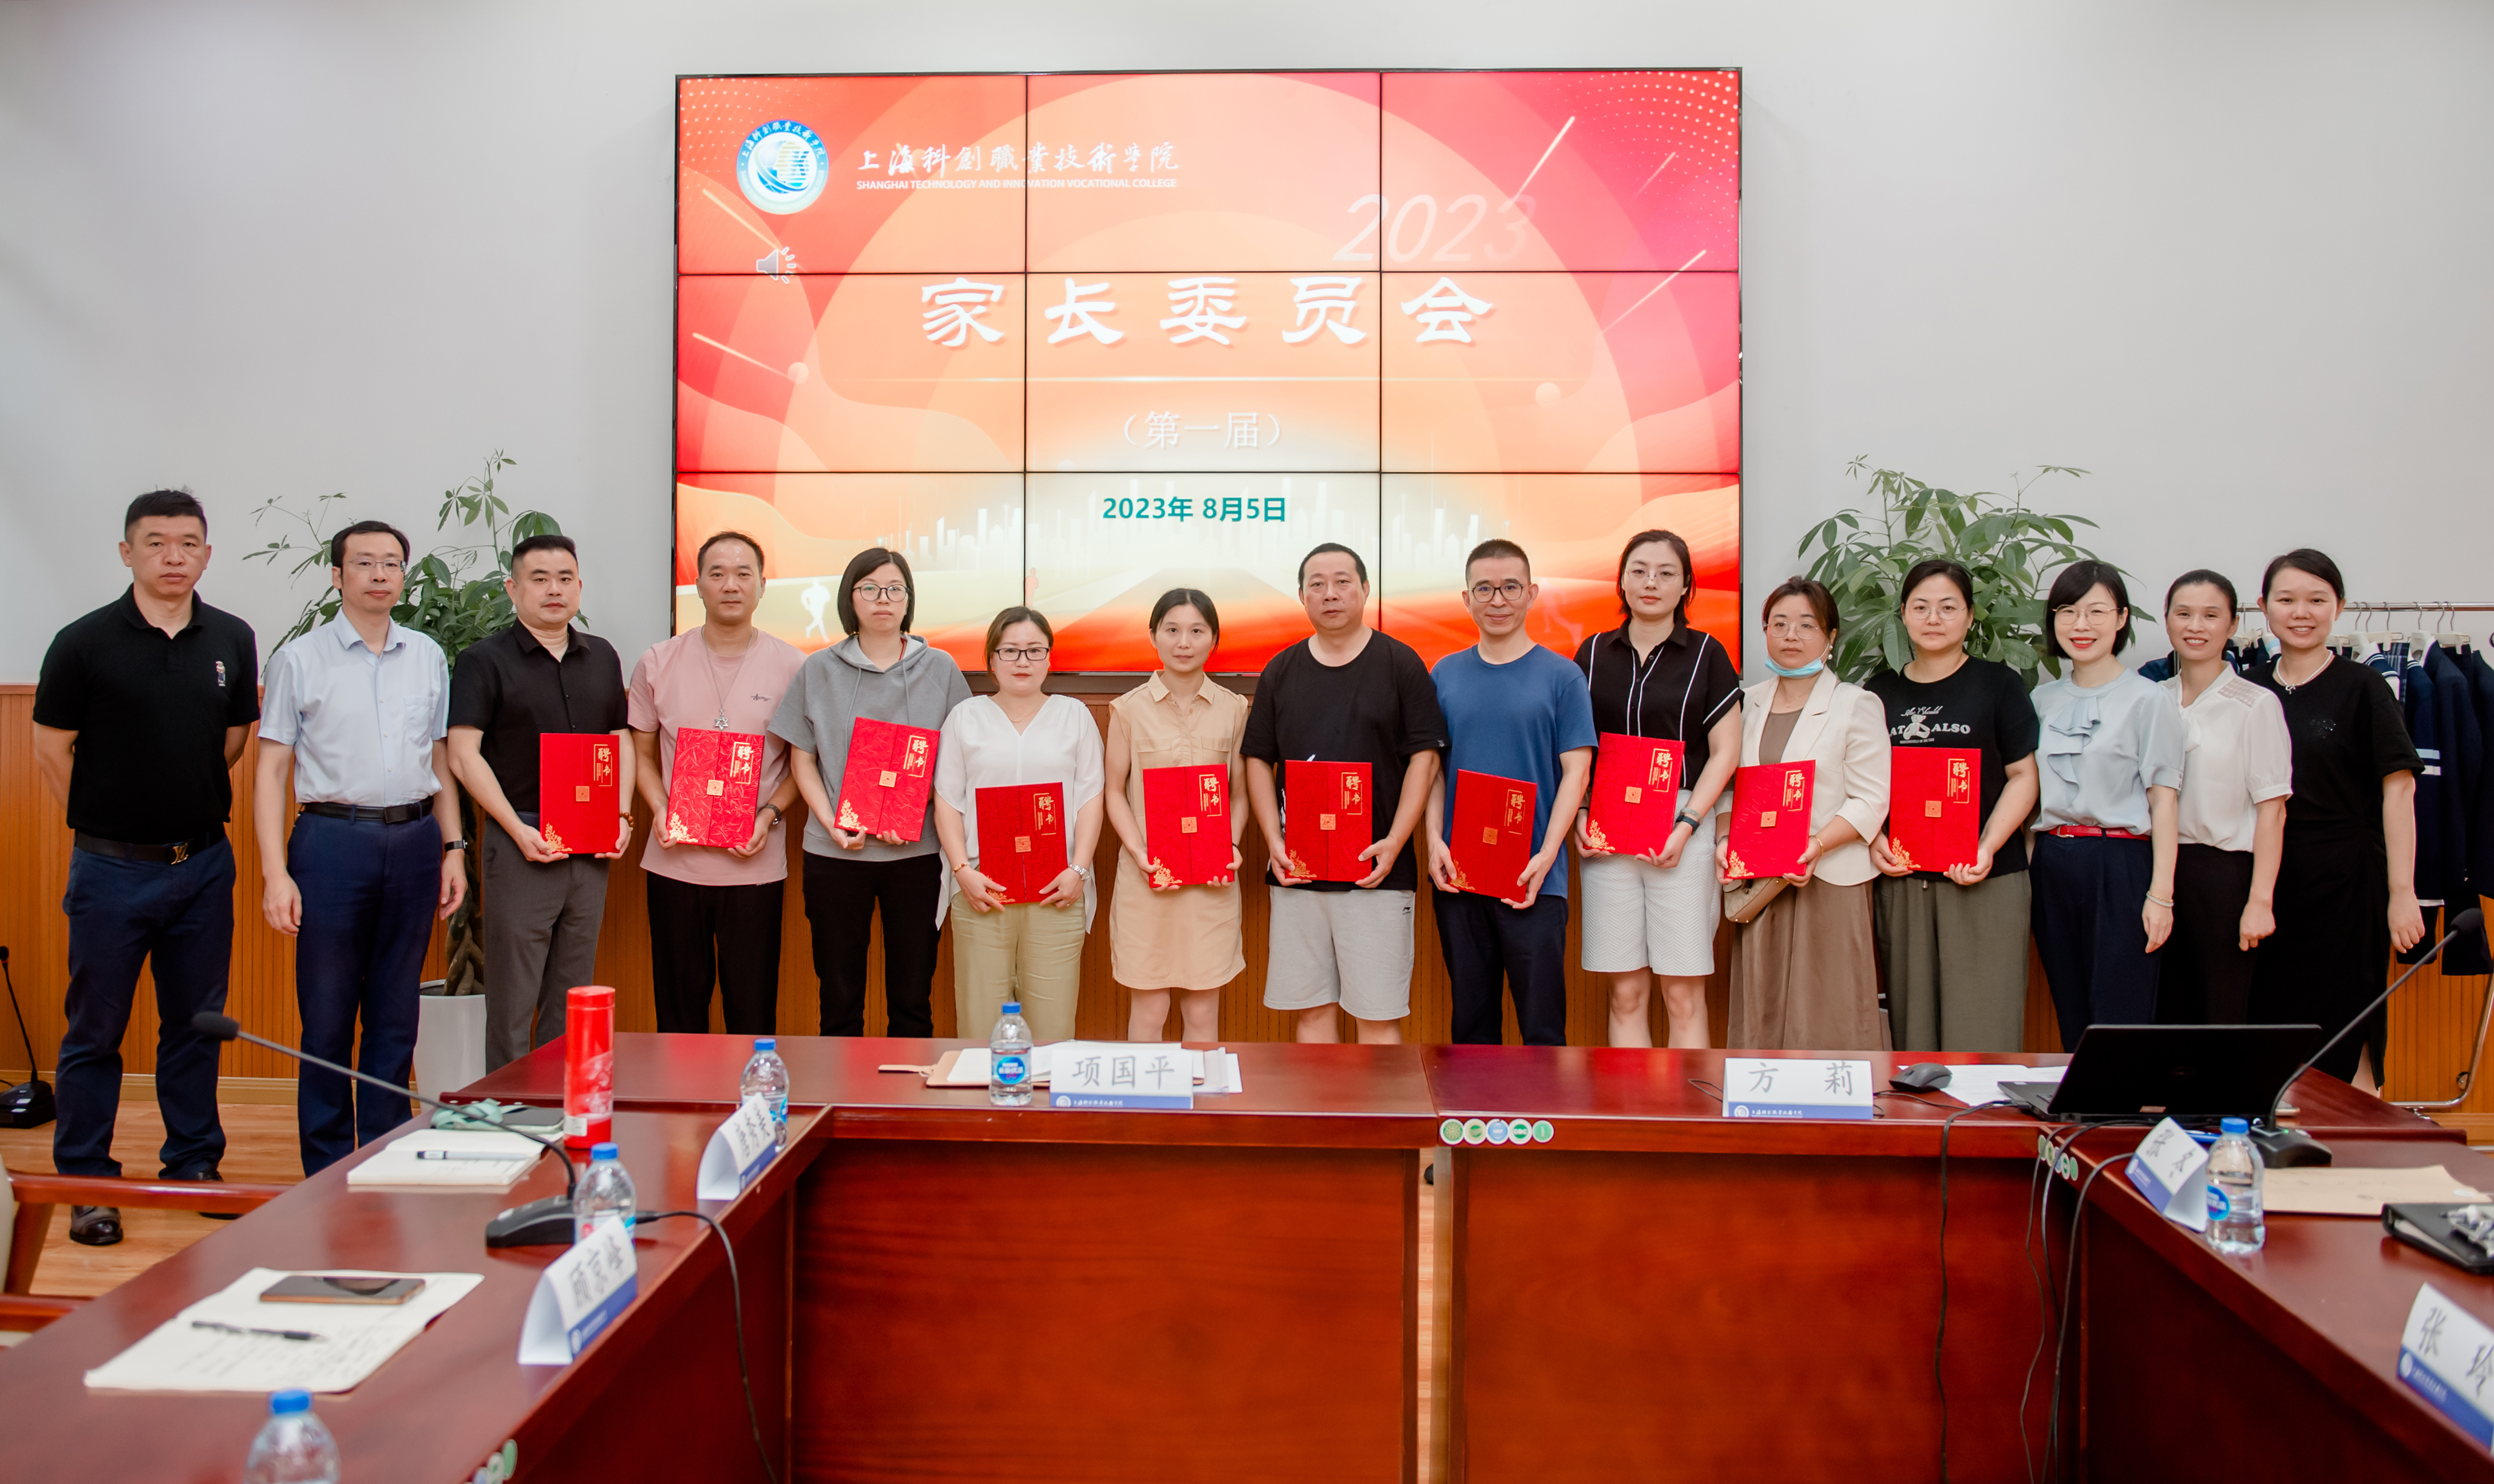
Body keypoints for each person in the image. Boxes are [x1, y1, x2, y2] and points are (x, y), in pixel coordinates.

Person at [31, 489, 259, 1245]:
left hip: (204, 865)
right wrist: (108, 822)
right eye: (156, 543)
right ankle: (87, 1182)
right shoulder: (83, 642)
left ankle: (193, 1162)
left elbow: (232, 739)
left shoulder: (231, 637)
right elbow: (51, 749)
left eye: (187, 543)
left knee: (194, 1026)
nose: (173, 556)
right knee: (95, 1031)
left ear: (206, 555)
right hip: (111, 871)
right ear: (127, 553)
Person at [254, 520, 469, 1175]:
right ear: (337, 575)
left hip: (414, 840)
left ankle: (384, 1152)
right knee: (326, 1017)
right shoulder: (299, 659)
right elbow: (271, 769)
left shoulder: (428, 655)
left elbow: (438, 758)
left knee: (395, 1014)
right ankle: (324, 1167)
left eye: (392, 563)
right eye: (365, 563)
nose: (380, 574)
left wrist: (453, 847)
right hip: (330, 842)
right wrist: (275, 873)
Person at [1241, 544, 1446, 1044]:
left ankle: (1378, 1107)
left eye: (1342, 582)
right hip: (1299, 872)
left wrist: (1396, 841)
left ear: (1365, 590)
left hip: (1376, 871)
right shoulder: (1280, 670)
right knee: (1311, 1015)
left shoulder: (1401, 664)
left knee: (1377, 1017)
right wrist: (1274, 842)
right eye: (1317, 584)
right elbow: (1257, 759)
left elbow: (1425, 758)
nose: (1329, 594)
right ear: (1302, 595)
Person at [447, 533, 634, 1071]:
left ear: (579, 586)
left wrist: (621, 816)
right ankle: (510, 1108)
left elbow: (618, 738)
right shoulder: (483, 660)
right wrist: (514, 829)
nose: (555, 589)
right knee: (513, 998)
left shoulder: (602, 656)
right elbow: (463, 754)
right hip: (521, 841)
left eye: (565, 578)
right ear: (513, 588)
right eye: (540, 579)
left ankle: (563, 1101)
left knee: (573, 993)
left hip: (591, 845)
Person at [773, 548, 971, 1037]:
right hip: (835, 854)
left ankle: (910, 1086)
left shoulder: (941, 668)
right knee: (838, 996)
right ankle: (843, 1085)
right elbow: (802, 759)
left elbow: (958, 760)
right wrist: (832, 821)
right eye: (870, 588)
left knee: (912, 997)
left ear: (908, 600)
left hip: (917, 853)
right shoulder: (819, 668)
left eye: (894, 589)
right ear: (850, 597)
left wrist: (909, 809)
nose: (883, 598)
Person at [2246, 548, 2424, 1088]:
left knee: (2348, 1021)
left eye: (2317, 600)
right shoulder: (2248, 687)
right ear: (2264, 607)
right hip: (2265, 881)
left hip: (2348, 883)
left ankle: (2353, 1129)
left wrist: (2402, 892)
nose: (2301, 612)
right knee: (2268, 1026)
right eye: (2287, 599)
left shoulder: (2364, 686)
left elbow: (2400, 790)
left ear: (2339, 607)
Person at [1572, 529, 1743, 1048]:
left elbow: (1726, 752)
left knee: (1682, 994)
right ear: (1622, 581)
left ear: (1686, 585)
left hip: (1681, 825)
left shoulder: (1708, 654)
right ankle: (1632, 1102)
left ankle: (1685, 1103)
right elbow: (1577, 747)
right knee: (1625, 993)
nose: (1651, 582)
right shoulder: (1592, 653)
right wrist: (1580, 813)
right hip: (1606, 827)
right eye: (1640, 571)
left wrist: (1688, 824)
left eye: (1666, 573)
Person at [629, 531, 804, 1035]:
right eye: (718, 573)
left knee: (752, 1014)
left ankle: (750, 1092)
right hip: (674, 865)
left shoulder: (794, 666)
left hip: (754, 868)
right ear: (698, 584)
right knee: (679, 1018)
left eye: (744, 573)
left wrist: (769, 815)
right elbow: (641, 755)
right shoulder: (657, 661)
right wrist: (660, 807)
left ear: (763, 586)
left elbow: (801, 765)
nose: (731, 585)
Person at [1864, 559, 2042, 1052]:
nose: (1933, 618)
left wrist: (1986, 846)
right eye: (1921, 607)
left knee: (1984, 1025)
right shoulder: (1878, 693)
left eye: (1948, 607)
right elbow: (1862, 784)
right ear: (1903, 614)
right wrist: (1876, 839)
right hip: (1904, 879)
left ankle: (1982, 1107)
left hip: (1985, 876)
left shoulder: (1999, 684)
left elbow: (2024, 776)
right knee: (1913, 1029)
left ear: (1969, 616)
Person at [1424, 541, 1596, 1046]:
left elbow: (1577, 771)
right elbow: (1433, 771)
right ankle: (1476, 1105)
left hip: (1534, 877)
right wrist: (1433, 841)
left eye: (1510, 587)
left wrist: (1548, 855)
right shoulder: (1444, 674)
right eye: (1484, 589)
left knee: (1542, 1026)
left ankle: (1543, 1108)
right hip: (1459, 874)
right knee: (1471, 1024)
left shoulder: (1563, 675)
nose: (1497, 600)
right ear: (1467, 598)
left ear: (1532, 593)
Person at [1718, 578, 1891, 1050]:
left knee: (1829, 1009)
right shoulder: (1745, 702)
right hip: (1759, 879)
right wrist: (1724, 840)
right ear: (1765, 631)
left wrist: (1815, 845)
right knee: (1764, 1006)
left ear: (1831, 636)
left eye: (1806, 625)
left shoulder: (1856, 704)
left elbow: (1870, 798)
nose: (1791, 635)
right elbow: (1729, 787)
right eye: (1779, 624)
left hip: (1828, 876)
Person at [2026, 561, 2185, 1047]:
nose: (2081, 624)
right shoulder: (2041, 699)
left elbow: (2164, 800)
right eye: (2068, 611)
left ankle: (2121, 1102)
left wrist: (2161, 895)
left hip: (2120, 862)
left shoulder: (2148, 699)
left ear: (2121, 618)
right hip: (2053, 862)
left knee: (2121, 1017)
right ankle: (2080, 1100)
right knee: (2070, 1009)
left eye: (2096, 611)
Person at [932, 608, 1104, 1042]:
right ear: (992, 659)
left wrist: (1079, 869)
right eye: (1010, 651)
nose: (1022, 661)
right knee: (980, 1024)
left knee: (1053, 1028)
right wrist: (962, 871)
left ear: (1049, 658)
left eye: (1034, 650)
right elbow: (947, 801)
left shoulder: (1075, 715)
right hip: (982, 887)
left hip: (1057, 888)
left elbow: (1091, 798)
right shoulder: (965, 717)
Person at [1103, 590, 1248, 1043]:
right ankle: (1147, 1094)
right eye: (1172, 630)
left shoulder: (1235, 708)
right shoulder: (1127, 709)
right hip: (1147, 878)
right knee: (1150, 1009)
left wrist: (1230, 846)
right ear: (1154, 636)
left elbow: (1240, 794)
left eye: (1196, 631)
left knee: (1203, 1011)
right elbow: (1114, 791)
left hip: (1212, 881)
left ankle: (1201, 1094)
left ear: (1214, 639)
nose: (1184, 642)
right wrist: (1139, 851)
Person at [2155, 570, 2291, 1026]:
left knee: (2220, 1016)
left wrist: (2260, 901)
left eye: (2211, 615)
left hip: (2222, 877)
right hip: (2156, 873)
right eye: (2184, 614)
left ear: (2232, 624)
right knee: (2163, 1013)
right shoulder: (2151, 700)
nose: (2196, 626)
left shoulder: (2256, 704)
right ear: (2167, 620)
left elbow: (2273, 811)